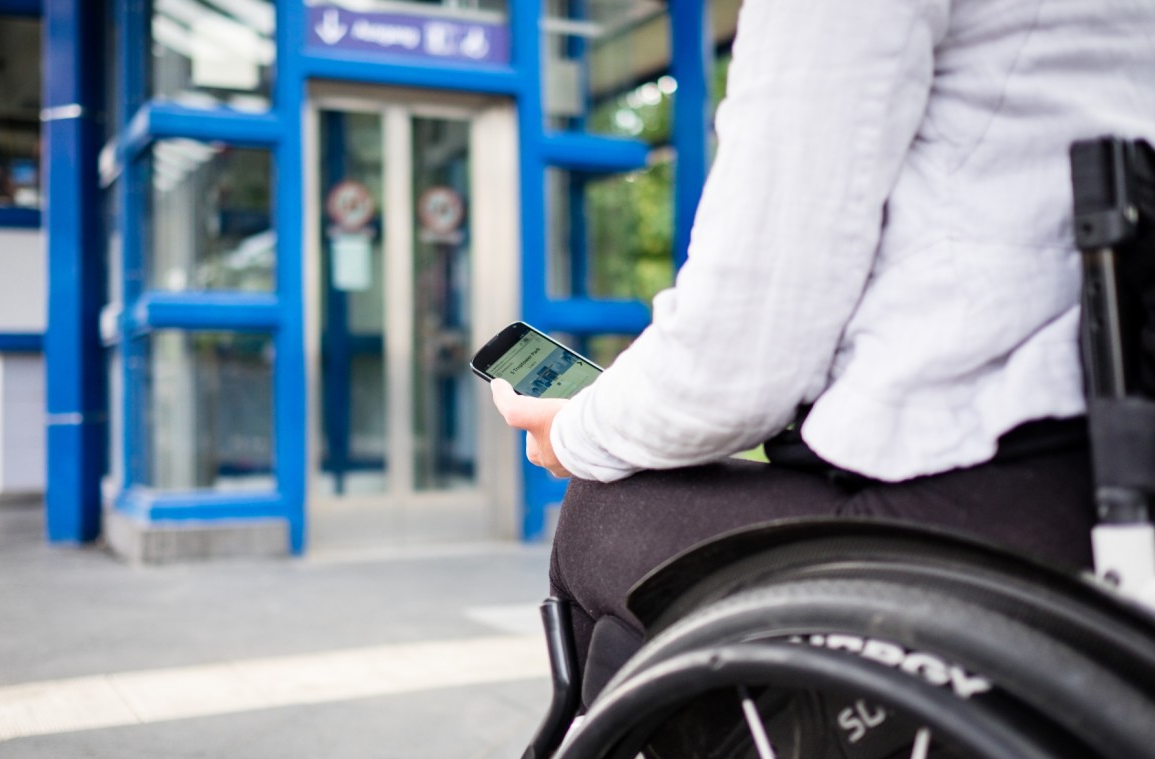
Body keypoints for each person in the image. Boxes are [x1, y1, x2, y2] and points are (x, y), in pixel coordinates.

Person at [490, 0, 1155, 706]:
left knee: (604, 511)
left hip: (983, 511)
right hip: (1114, 473)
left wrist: (575, 430)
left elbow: (736, 364)